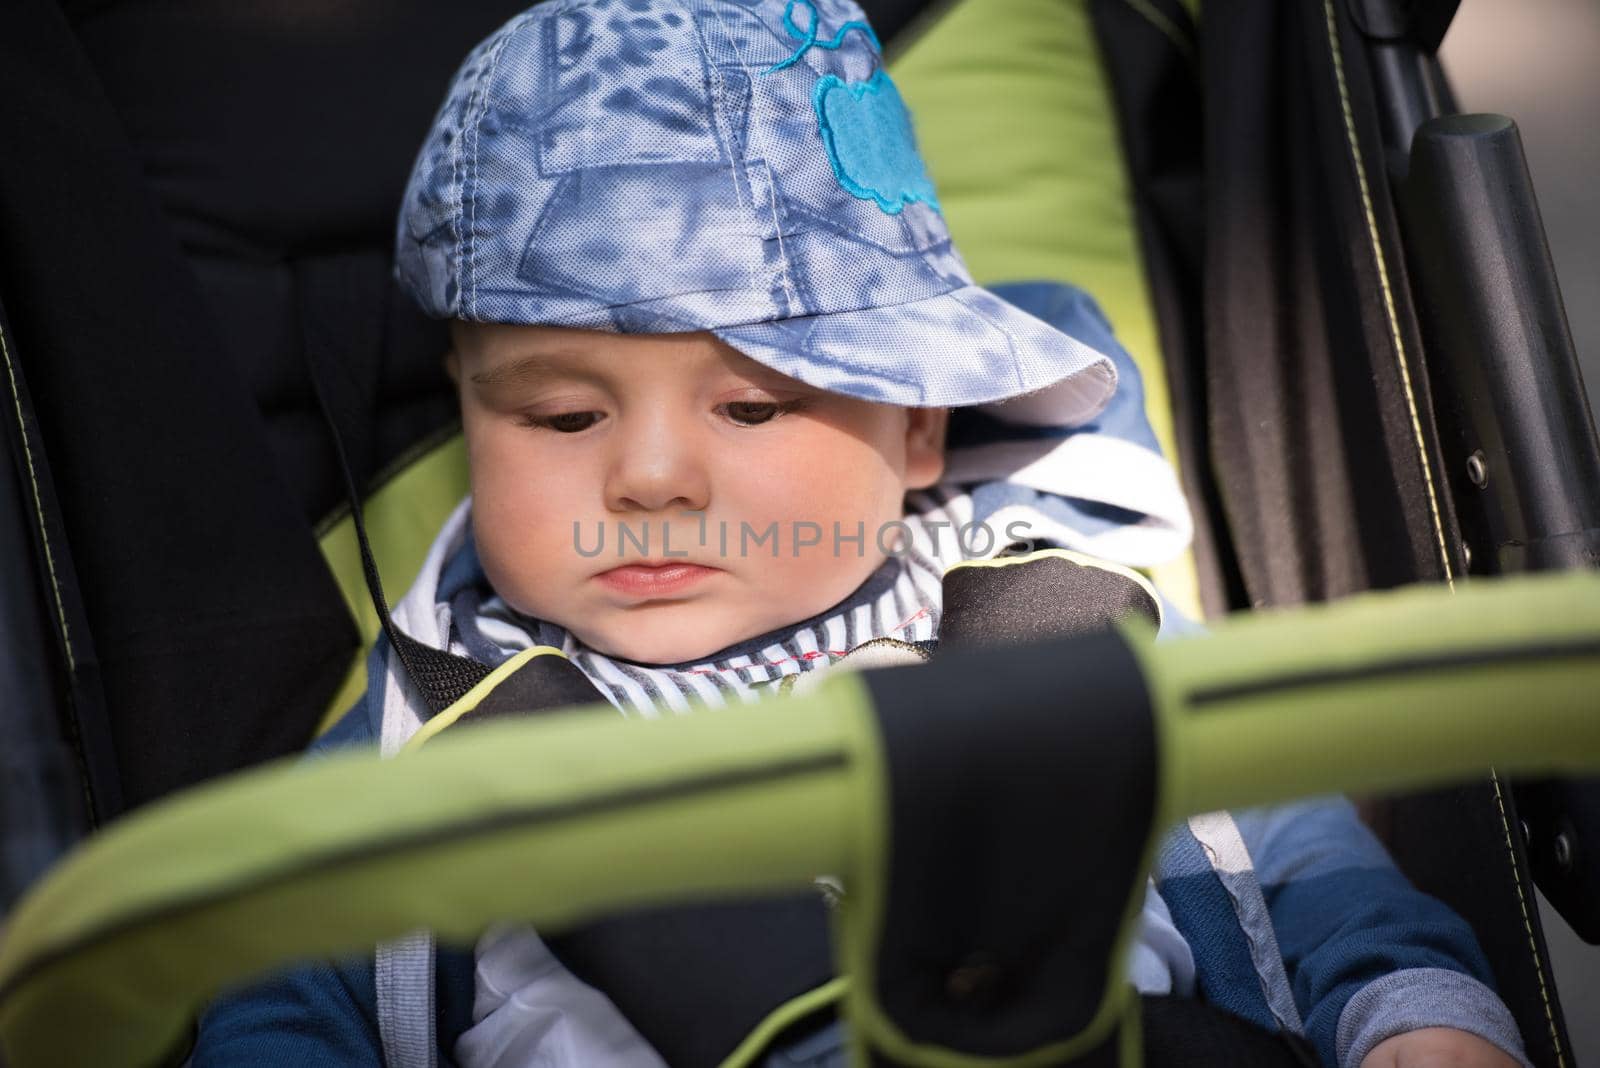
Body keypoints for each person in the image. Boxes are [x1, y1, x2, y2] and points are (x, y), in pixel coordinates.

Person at [192, 2, 1529, 1066]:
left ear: (921, 427)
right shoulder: (428, 712)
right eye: (556, 417)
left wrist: (1406, 1009)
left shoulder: (1049, 604)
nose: (651, 478)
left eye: (754, 405)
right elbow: (280, 982)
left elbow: (1303, 858)